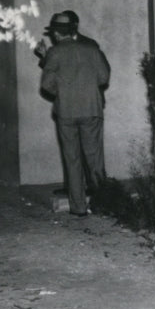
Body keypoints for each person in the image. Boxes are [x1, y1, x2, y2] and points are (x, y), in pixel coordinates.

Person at [39, 11, 111, 217]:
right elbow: (104, 77)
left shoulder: (54, 52)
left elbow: (46, 85)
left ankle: (78, 207)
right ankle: (104, 204)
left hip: (67, 111)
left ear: (56, 33)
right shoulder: (92, 49)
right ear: (72, 30)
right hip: (91, 109)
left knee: (72, 159)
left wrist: (63, 92)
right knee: (95, 158)